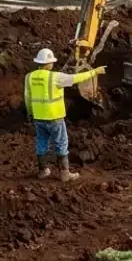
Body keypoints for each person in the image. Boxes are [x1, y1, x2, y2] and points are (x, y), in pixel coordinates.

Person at [24, 49, 106, 182]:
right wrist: (95, 72)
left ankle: (43, 170)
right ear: (49, 63)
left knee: (41, 142)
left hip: (38, 117)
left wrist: (30, 113)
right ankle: (64, 173)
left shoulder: (29, 77)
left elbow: (27, 97)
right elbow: (76, 78)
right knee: (61, 143)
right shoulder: (55, 77)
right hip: (55, 117)